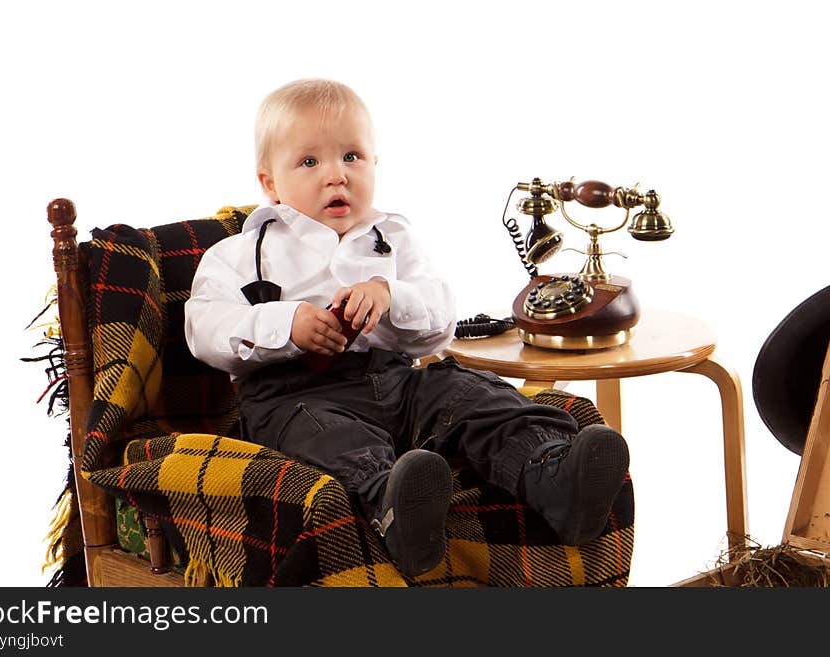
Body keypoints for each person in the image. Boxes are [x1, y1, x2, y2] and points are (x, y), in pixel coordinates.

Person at [184, 79, 630, 578]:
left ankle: (553, 477)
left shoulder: (392, 239)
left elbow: (439, 322)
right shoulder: (240, 253)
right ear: (270, 183)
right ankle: (396, 508)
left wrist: (390, 295)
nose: (337, 176)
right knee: (331, 438)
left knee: (470, 392)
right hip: (295, 396)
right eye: (310, 163)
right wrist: (285, 322)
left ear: (375, 163)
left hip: (395, 381)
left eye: (352, 156)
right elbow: (204, 328)